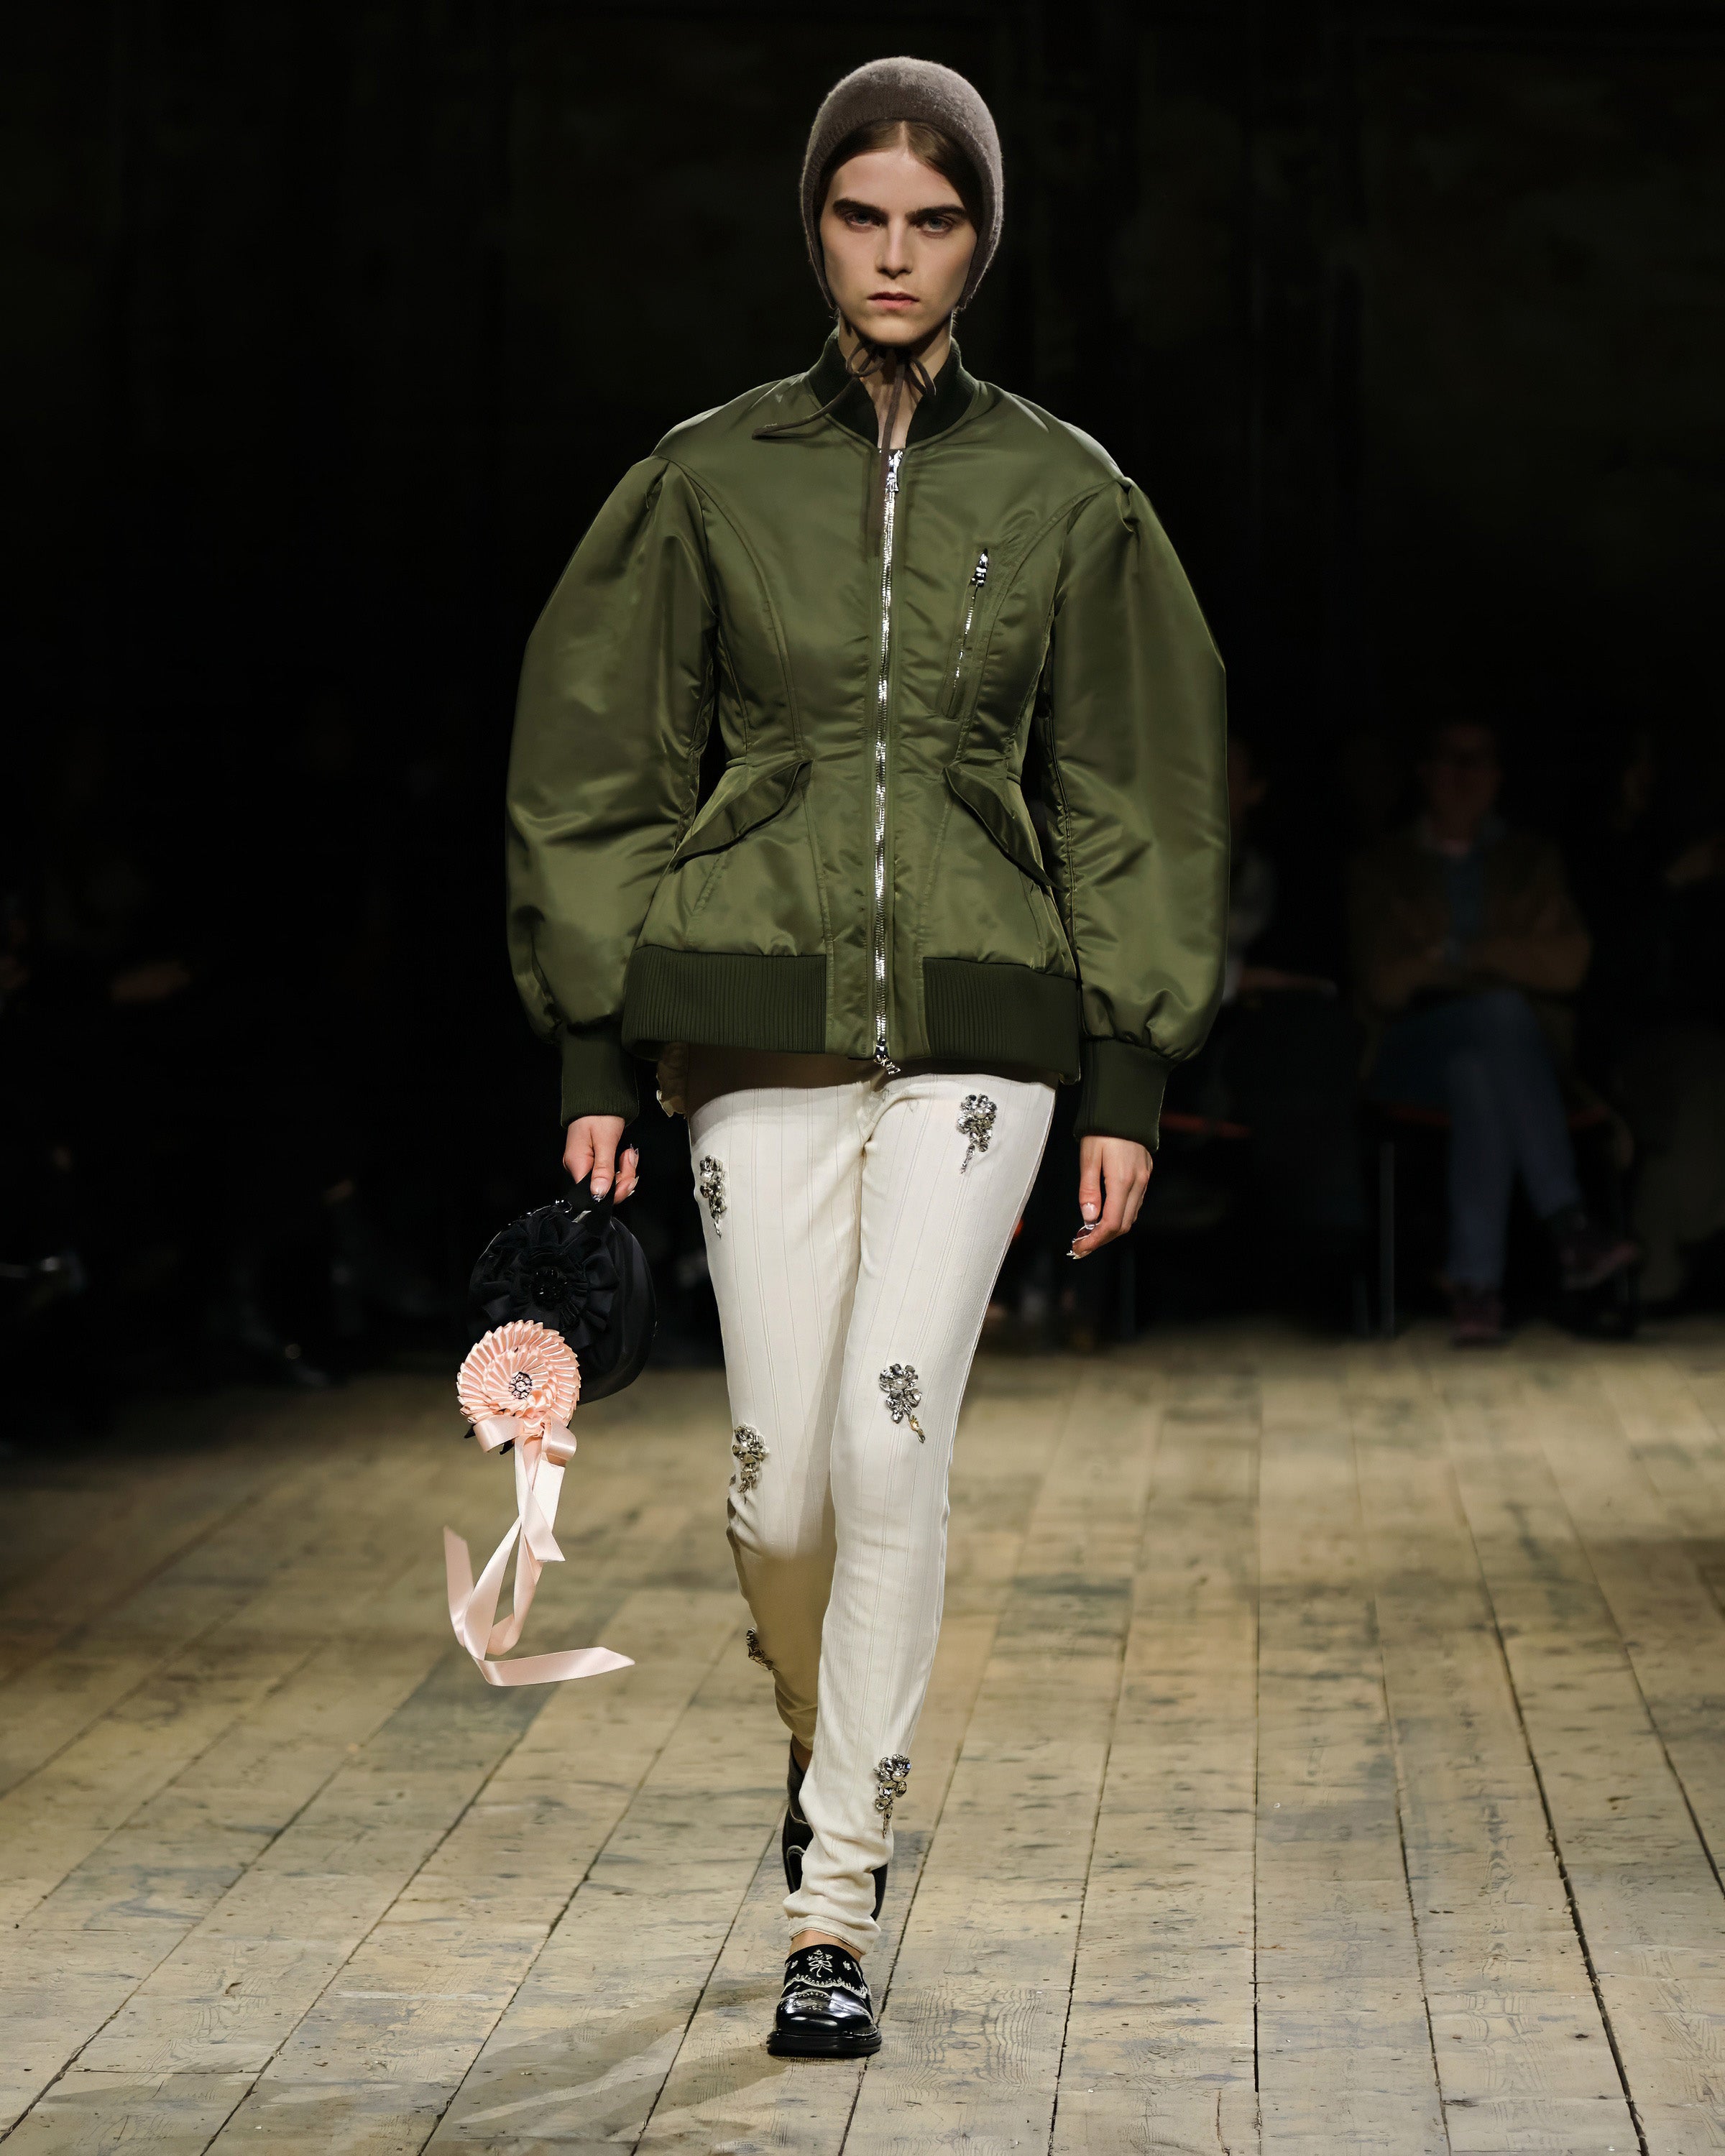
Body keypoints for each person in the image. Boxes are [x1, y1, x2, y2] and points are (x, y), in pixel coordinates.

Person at [505, 57, 1227, 2055]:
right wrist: (590, 1044)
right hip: (752, 1013)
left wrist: (1132, 1070)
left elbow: (1137, 788)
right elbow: (599, 760)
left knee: (892, 1444)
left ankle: (833, 1893)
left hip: (986, 1024)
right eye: (859, 217)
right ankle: (828, 1742)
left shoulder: (1067, 494)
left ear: (980, 242)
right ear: (813, 230)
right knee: (777, 1495)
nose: (894, 256)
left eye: (933, 220)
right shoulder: (705, 479)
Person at [1351, 718, 1635, 1345]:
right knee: (1501, 1013)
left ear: (1499, 776)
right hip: (1412, 1051)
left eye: (1477, 761)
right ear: (1425, 773)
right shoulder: (1384, 865)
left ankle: (1476, 1287)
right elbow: (1385, 982)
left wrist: (1450, 955)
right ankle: (1569, 1223)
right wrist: (1503, 959)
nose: (1463, 775)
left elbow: (1567, 963)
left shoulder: (1530, 860)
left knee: (1479, 1070)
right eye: (1450, 759)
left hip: (1514, 1059)